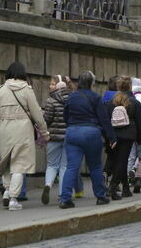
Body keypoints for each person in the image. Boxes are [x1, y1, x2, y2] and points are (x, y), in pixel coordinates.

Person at [60, 71, 115, 208]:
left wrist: (72, 126)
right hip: (91, 132)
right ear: (92, 83)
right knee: (95, 166)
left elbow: (65, 116)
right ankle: (100, 196)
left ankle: (65, 198)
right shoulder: (95, 97)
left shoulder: (71, 97)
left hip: (72, 132)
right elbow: (104, 119)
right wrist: (111, 137)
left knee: (72, 166)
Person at [0, 62, 49, 211]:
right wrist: (44, 133)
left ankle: (7, 192)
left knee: (6, 162)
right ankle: (14, 198)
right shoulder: (27, 90)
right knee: (19, 164)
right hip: (22, 131)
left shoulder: (0, 91)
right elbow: (37, 115)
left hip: (3, 130)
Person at [42, 75, 83, 205]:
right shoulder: (73, 99)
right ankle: (62, 194)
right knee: (64, 167)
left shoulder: (50, 100)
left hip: (53, 137)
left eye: (52, 83)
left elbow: (46, 119)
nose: (50, 86)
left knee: (51, 165)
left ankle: (48, 184)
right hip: (68, 137)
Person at [106, 76, 141, 200]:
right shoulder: (134, 102)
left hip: (114, 135)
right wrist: (140, 138)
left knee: (119, 161)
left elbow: (106, 121)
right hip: (128, 135)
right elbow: (140, 123)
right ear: (130, 87)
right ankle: (112, 186)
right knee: (122, 162)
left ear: (118, 87)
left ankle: (126, 189)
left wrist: (108, 137)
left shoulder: (111, 102)